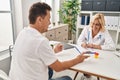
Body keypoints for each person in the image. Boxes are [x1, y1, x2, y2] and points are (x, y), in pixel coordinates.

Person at [9, 2, 89, 80]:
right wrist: (78, 59)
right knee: (67, 78)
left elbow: (34, 53)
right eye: (48, 19)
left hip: (18, 77)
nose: (50, 22)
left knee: (49, 70)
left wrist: (53, 51)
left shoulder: (23, 32)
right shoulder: (41, 41)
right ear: (40, 20)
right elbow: (59, 67)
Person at [77, 13, 116, 80]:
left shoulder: (104, 31)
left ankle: (88, 76)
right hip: (86, 52)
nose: (94, 26)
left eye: (97, 24)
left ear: (101, 25)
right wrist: (82, 44)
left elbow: (112, 46)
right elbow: (79, 41)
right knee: (82, 63)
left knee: (93, 65)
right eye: (93, 23)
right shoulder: (87, 28)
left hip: (97, 55)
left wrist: (96, 46)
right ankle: (87, 76)